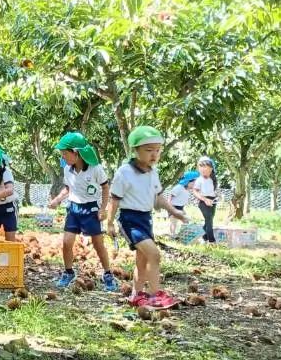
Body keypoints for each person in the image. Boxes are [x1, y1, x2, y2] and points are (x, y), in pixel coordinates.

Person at [106, 126, 186, 309]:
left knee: (142, 260)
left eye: (157, 150)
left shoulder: (153, 172)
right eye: (149, 150)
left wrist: (174, 212)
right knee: (154, 254)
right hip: (130, 220)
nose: (154, 154)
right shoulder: (124, 172)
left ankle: (136, 295)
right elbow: (114, 199)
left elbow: (158, 197)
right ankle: (155, 295)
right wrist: (109, 223)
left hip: (146, 219)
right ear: (136, 150)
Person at [51, 132, 119, 293]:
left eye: (64, 153)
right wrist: (57, 199)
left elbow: (105, 188)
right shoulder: (67, 169)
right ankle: (68, 272)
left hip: (91, 209)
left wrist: (103, 209)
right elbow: (68, 188)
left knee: (98, 244)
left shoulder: (95, 169)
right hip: (73, 208)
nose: (63, 157)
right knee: (66, 242)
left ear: (76, 153)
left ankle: (108, 274)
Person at [191, 156, 219, 242]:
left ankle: (204, 237)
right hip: (203, 202)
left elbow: (212, 191)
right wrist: (204, 199)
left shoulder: (212, 179)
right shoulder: (199, 180)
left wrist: (216, 196)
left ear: (211, 169)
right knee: (209, 221)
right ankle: (212, 241)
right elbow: (195, 191)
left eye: (205, 167)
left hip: (212, 201)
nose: (203, 169)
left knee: (208, 221)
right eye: (201, 167)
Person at [166, 170, 198, 237]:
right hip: (173, 206)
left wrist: (182, 209)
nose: (195, 185)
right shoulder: (179, 187)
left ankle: (183, 235)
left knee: (186, 221)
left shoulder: (187, 190)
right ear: (188, 181)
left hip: (180, 207)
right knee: (173, 221)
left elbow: (180, 201)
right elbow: (170, 195)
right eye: (194, 183)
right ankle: (172, 235)